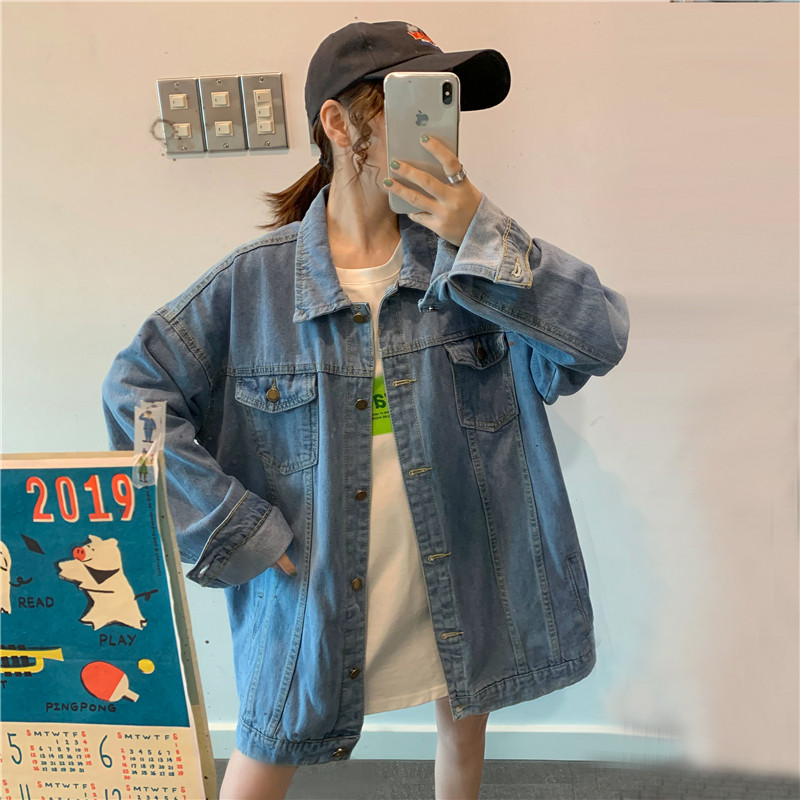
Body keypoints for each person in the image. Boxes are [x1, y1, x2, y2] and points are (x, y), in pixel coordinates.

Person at [102, 19, 630, 800]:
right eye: (413, 105)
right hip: (315, 586)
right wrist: (236, 527)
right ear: (339, 124)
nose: (439, 131)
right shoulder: (253, 287)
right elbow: (134, 394)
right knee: (268, 747)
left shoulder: (473, 267)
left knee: (463, 726)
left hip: (457, 569)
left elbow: (598, 338)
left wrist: (483, 234)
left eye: (446, 105)